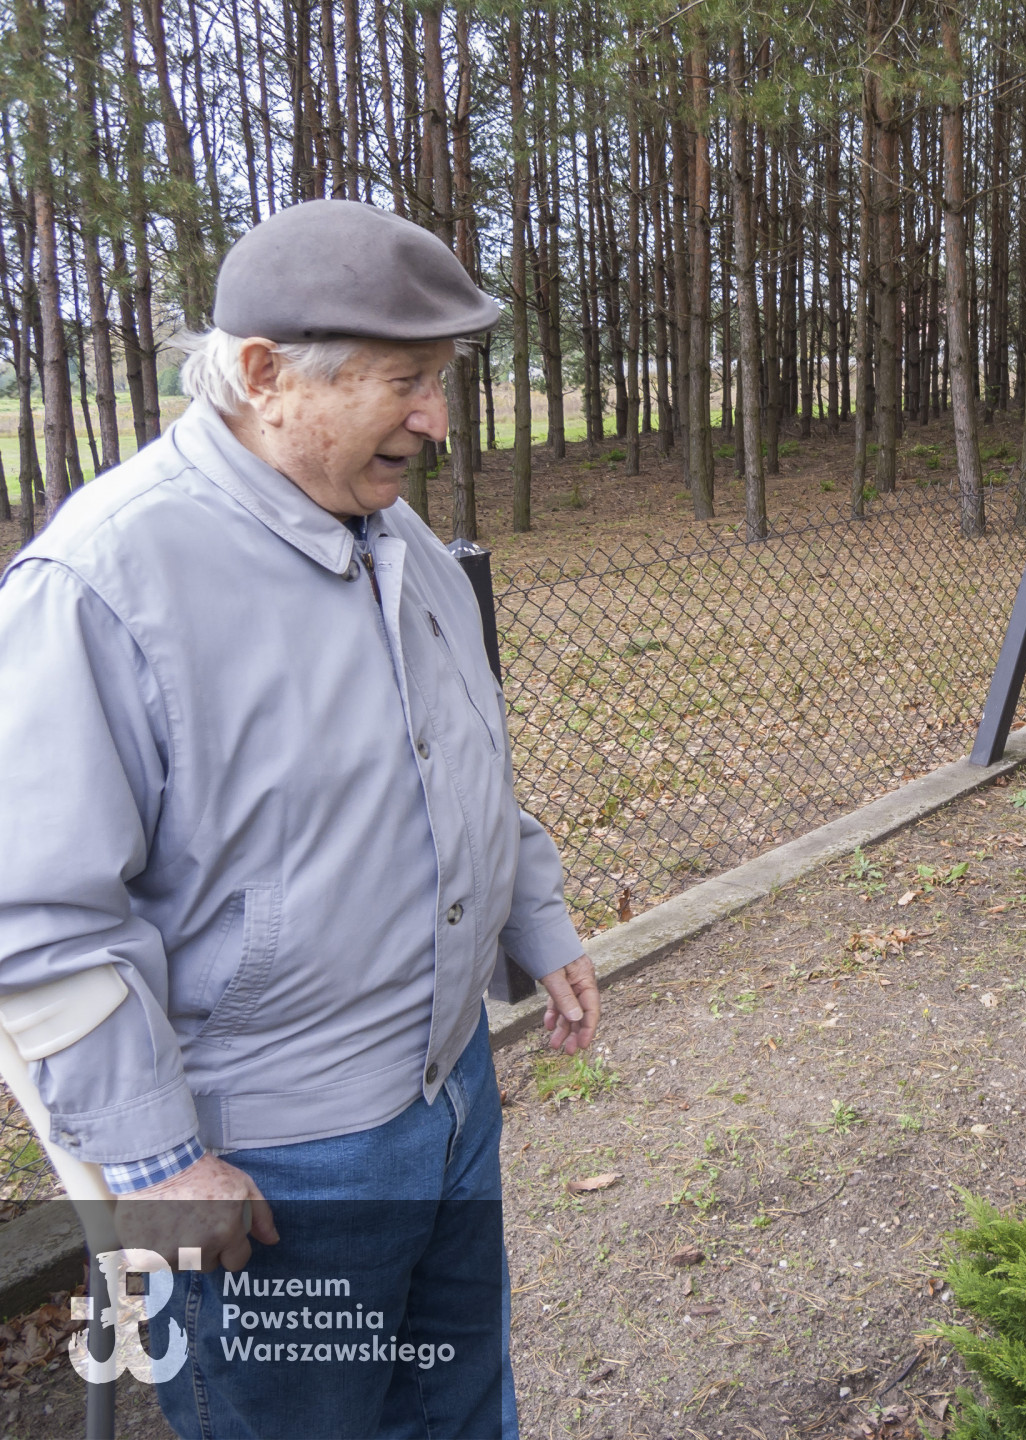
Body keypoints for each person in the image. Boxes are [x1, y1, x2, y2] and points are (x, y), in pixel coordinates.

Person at [0, 200, 600, 1437]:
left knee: (459, 1413)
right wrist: (159, 1162)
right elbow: (36, 918)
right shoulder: (106, 584)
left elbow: (462, 762)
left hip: (447, 1104)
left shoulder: (397, 539)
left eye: (441, 380)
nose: (437, 419)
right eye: (406, 382)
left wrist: (533, 919)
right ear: (266, 376)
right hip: (275, 1171)